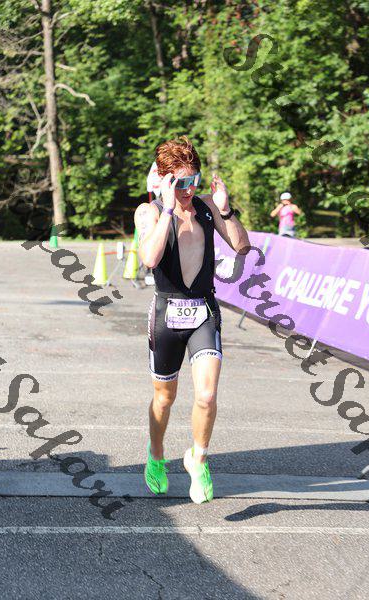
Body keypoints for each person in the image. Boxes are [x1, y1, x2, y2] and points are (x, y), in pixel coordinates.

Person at [134, 135, 250, 504]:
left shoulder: (205, 207)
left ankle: (198, 460)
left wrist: (225, 210)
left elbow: (241, 245)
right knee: (164, 398)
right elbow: (149, 258)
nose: (188, 190)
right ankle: (156, 456)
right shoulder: (149, 212)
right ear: (165, 180)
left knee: (207, 394)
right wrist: (168, 210)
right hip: (166, 313)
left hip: (203, 311)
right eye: (181, 182)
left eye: (193, 180)